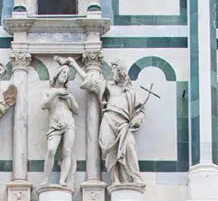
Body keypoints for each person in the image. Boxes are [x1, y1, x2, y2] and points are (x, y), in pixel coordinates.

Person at [58, 57, 144, 185]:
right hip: (109, 121)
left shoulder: (131, 92)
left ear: (121, 72)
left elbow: (140, 111)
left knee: (129, 145)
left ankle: (135, 177)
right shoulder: (108, 87)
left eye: (115, 71)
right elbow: (89, 80)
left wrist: (138, 118)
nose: (114, 74)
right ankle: (116, 180)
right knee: (108, 149)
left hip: (124, 124)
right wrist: (75, 65)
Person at [40, 62, 79, 188]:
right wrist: (56, 93)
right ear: (57, 74)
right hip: (54, 125)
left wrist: (70, 98)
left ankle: (62, 180)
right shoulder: (49, 91)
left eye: (67, 74)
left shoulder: (67, 93)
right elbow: (44, 105)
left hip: (69, 124)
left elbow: (76, 110)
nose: (65, 75)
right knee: (51, 150)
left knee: (67, 151)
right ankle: (46, 179)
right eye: (63, 72)